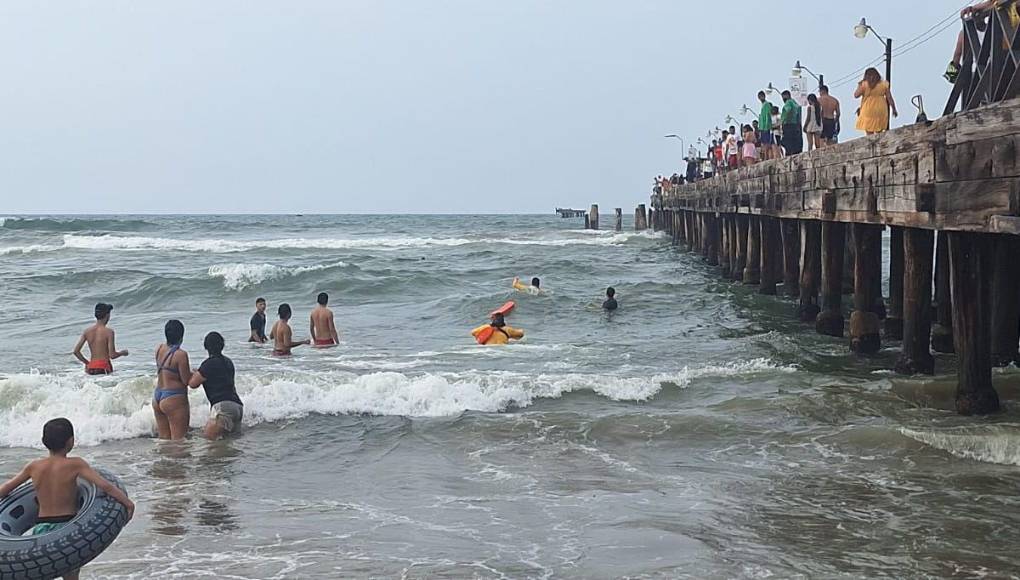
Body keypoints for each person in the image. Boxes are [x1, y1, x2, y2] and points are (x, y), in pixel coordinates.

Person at [0, 418, 134, 580]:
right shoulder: (75, 464)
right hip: (68, 527)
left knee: (42, 570)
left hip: (41, 529)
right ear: (71, 441)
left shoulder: (34, 466)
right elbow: (105, 486)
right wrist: (127, 503)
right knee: (70, 574)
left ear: (44, 442)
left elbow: (6, 489)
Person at [188, 332, 244, 439]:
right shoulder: (228, 361)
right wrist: (199, 373)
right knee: (229, 442)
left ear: (206, 347)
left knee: (210, 440)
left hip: (223, 406)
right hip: (237, 406)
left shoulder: (208, 364)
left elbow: (193, 384)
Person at [947, 2, 1020, 83]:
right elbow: (994, 4)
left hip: (977, 74)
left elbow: (957, 54)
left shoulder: (965, 33)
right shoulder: (994, 29)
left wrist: (952, 74)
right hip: (998, 67)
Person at [154, 320, 191, 440]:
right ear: (181, 336)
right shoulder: (181, 355)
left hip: (158, 396)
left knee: (164, 439)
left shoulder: (159, 348)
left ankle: (165, 459)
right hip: (174, 397)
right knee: (178, 440)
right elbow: (186, 380)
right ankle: (176, 459)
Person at [72, 302, 128, 375]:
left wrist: (87, 363)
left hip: (91, 368)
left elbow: (76, 351)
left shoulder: (87, 331)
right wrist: (122, 353)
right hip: (104, 368)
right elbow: (112, 355)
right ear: (107, 315)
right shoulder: (109, 332)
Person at [855, 67, 898, 135]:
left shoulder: (864, 84)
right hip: (881, 108)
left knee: (869, 132)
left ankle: (870, 144)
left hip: (868, 108)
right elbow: (889, 97)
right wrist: (894, 109)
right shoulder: (884, 84)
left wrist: (859, 85)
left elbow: (856, 95)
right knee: (879, 131)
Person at [780, 91, 803, 155]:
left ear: (787, 96)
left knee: (788, 143)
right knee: (794, 143)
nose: (783, 99)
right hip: (795, 125)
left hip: (788, 125)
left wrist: (782, 121)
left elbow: (788, 110)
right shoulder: (795, 103)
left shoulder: (788, 102)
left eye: (783, 97)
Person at [757, 91, 774, 160]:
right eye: (759, 97)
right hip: (762, 128)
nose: (761, 98)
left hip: (766, 128)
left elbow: (768, 116)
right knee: (764, 143)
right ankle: (766, 157)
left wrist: (767, 126)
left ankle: (767, 157)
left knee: (767, 144)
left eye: (762, 96)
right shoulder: (763, 105)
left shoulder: (767, 104)